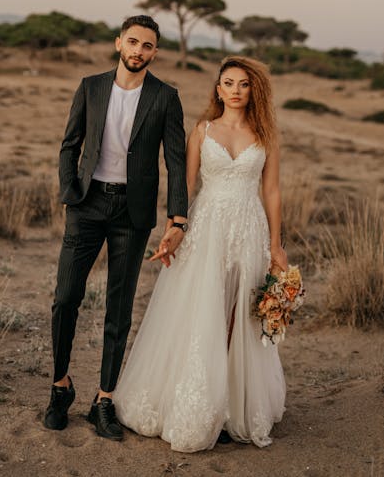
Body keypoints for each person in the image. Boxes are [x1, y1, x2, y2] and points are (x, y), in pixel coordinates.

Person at [114, 55, 288, 452]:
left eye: (244, 84)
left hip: (248, 228)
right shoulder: (202, 130)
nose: (236, 91)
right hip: (207, 228)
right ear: (218, 88)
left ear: (254, 90)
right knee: (202, 311)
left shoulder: (266, 136)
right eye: (229, 83)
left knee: (239, 314)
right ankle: (198, 402)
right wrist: (175, 229)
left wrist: (276, 244)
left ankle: (231, 407)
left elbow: (272, 191)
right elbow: (185, 185)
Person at [44, 15, 188, 440]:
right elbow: (69, 146)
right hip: (86, 206)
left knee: (119, 309)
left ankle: (104, 400)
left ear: (155, 52)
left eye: (147, 45)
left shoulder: (166, 97)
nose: (139, 51)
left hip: (133, 213)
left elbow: (176, 162)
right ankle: (60, 387)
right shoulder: (91, 86)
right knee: (65, 298)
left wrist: (177, 217)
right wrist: (71, 192)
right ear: (118, 43)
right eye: (133, 42)